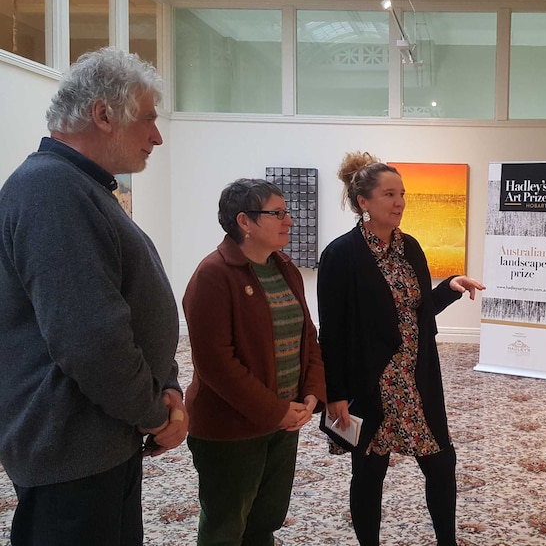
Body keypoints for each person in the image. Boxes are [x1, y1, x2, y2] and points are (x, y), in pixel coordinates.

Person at [0, 47, 187, 546]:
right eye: (148, 118)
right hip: (69, 451)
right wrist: (155, 411)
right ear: (104, 114)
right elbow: (90, 338)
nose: (157, 135)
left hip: (99, 440)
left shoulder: (81, 187)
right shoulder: (51, 191)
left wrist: (166, 385)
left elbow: (132, 305)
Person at [317, 151, 485, 546]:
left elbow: (417, 310)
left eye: (402, 194)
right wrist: (336, 394)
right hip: (372, 383)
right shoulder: (340, 256)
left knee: (442, 464)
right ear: (364, 202)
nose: (399, 203)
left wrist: (449, 288)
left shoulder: (409, 247)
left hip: (416, 378)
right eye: (390, 194)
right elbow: (333, 332)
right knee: (370, 472)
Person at [182, 178, 326, 546]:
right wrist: (273, 411)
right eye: (277, 213)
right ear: (244, 221)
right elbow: (216, 364)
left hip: (283, 422)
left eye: (287, 212)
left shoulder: (284, 267)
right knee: (225, 528)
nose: (289, 221)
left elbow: (306, 334)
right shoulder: (213, 275)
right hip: (230, 430)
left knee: (265, 522)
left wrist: (311, 392)